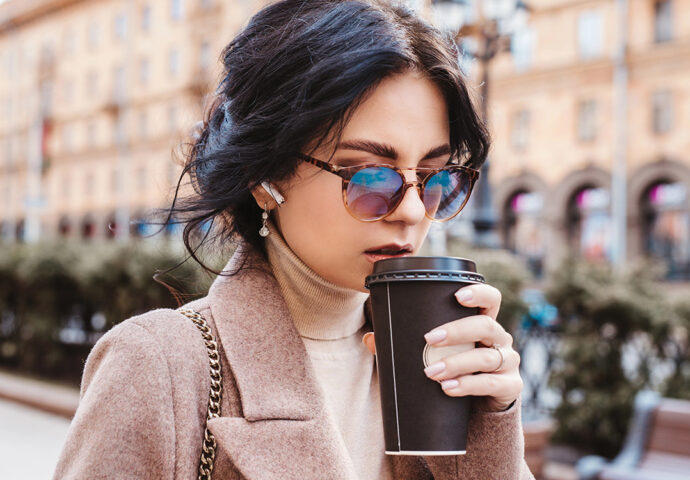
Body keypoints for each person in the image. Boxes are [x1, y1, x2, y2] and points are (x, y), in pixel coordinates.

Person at [54, 0, 532, 478]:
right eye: (369, 177)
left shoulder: (433, 361)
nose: (411, 210)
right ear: (266, 177)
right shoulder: (159, 366)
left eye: (434, 177)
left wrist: (492, 421)